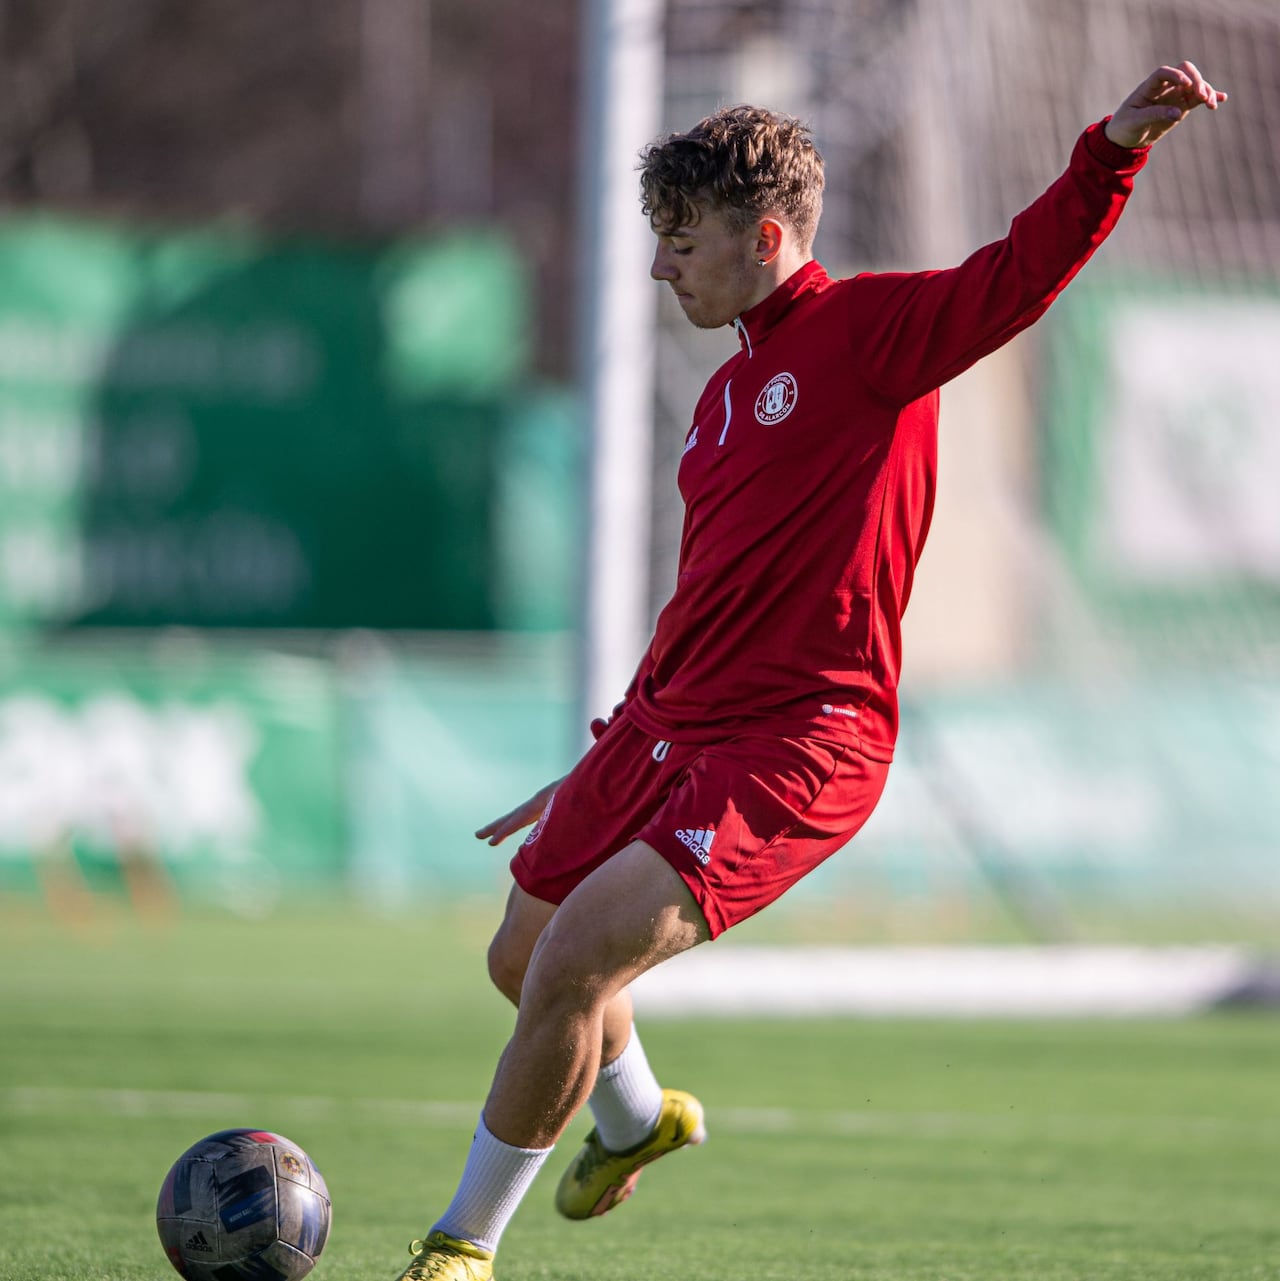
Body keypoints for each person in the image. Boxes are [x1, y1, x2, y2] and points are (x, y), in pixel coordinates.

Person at [394, 60, 1226, 1280]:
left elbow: (1016, 277)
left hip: (799, 742)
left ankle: (459, 1248)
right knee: (517, 958)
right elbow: (708, 596)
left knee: (574, 956)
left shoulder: (868, 335)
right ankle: (632, 1125)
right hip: (670, 725)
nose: (658, 265)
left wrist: (1109, 150)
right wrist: (619, 737)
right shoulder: (725, 397)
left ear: (765, 236)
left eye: (679, 241)